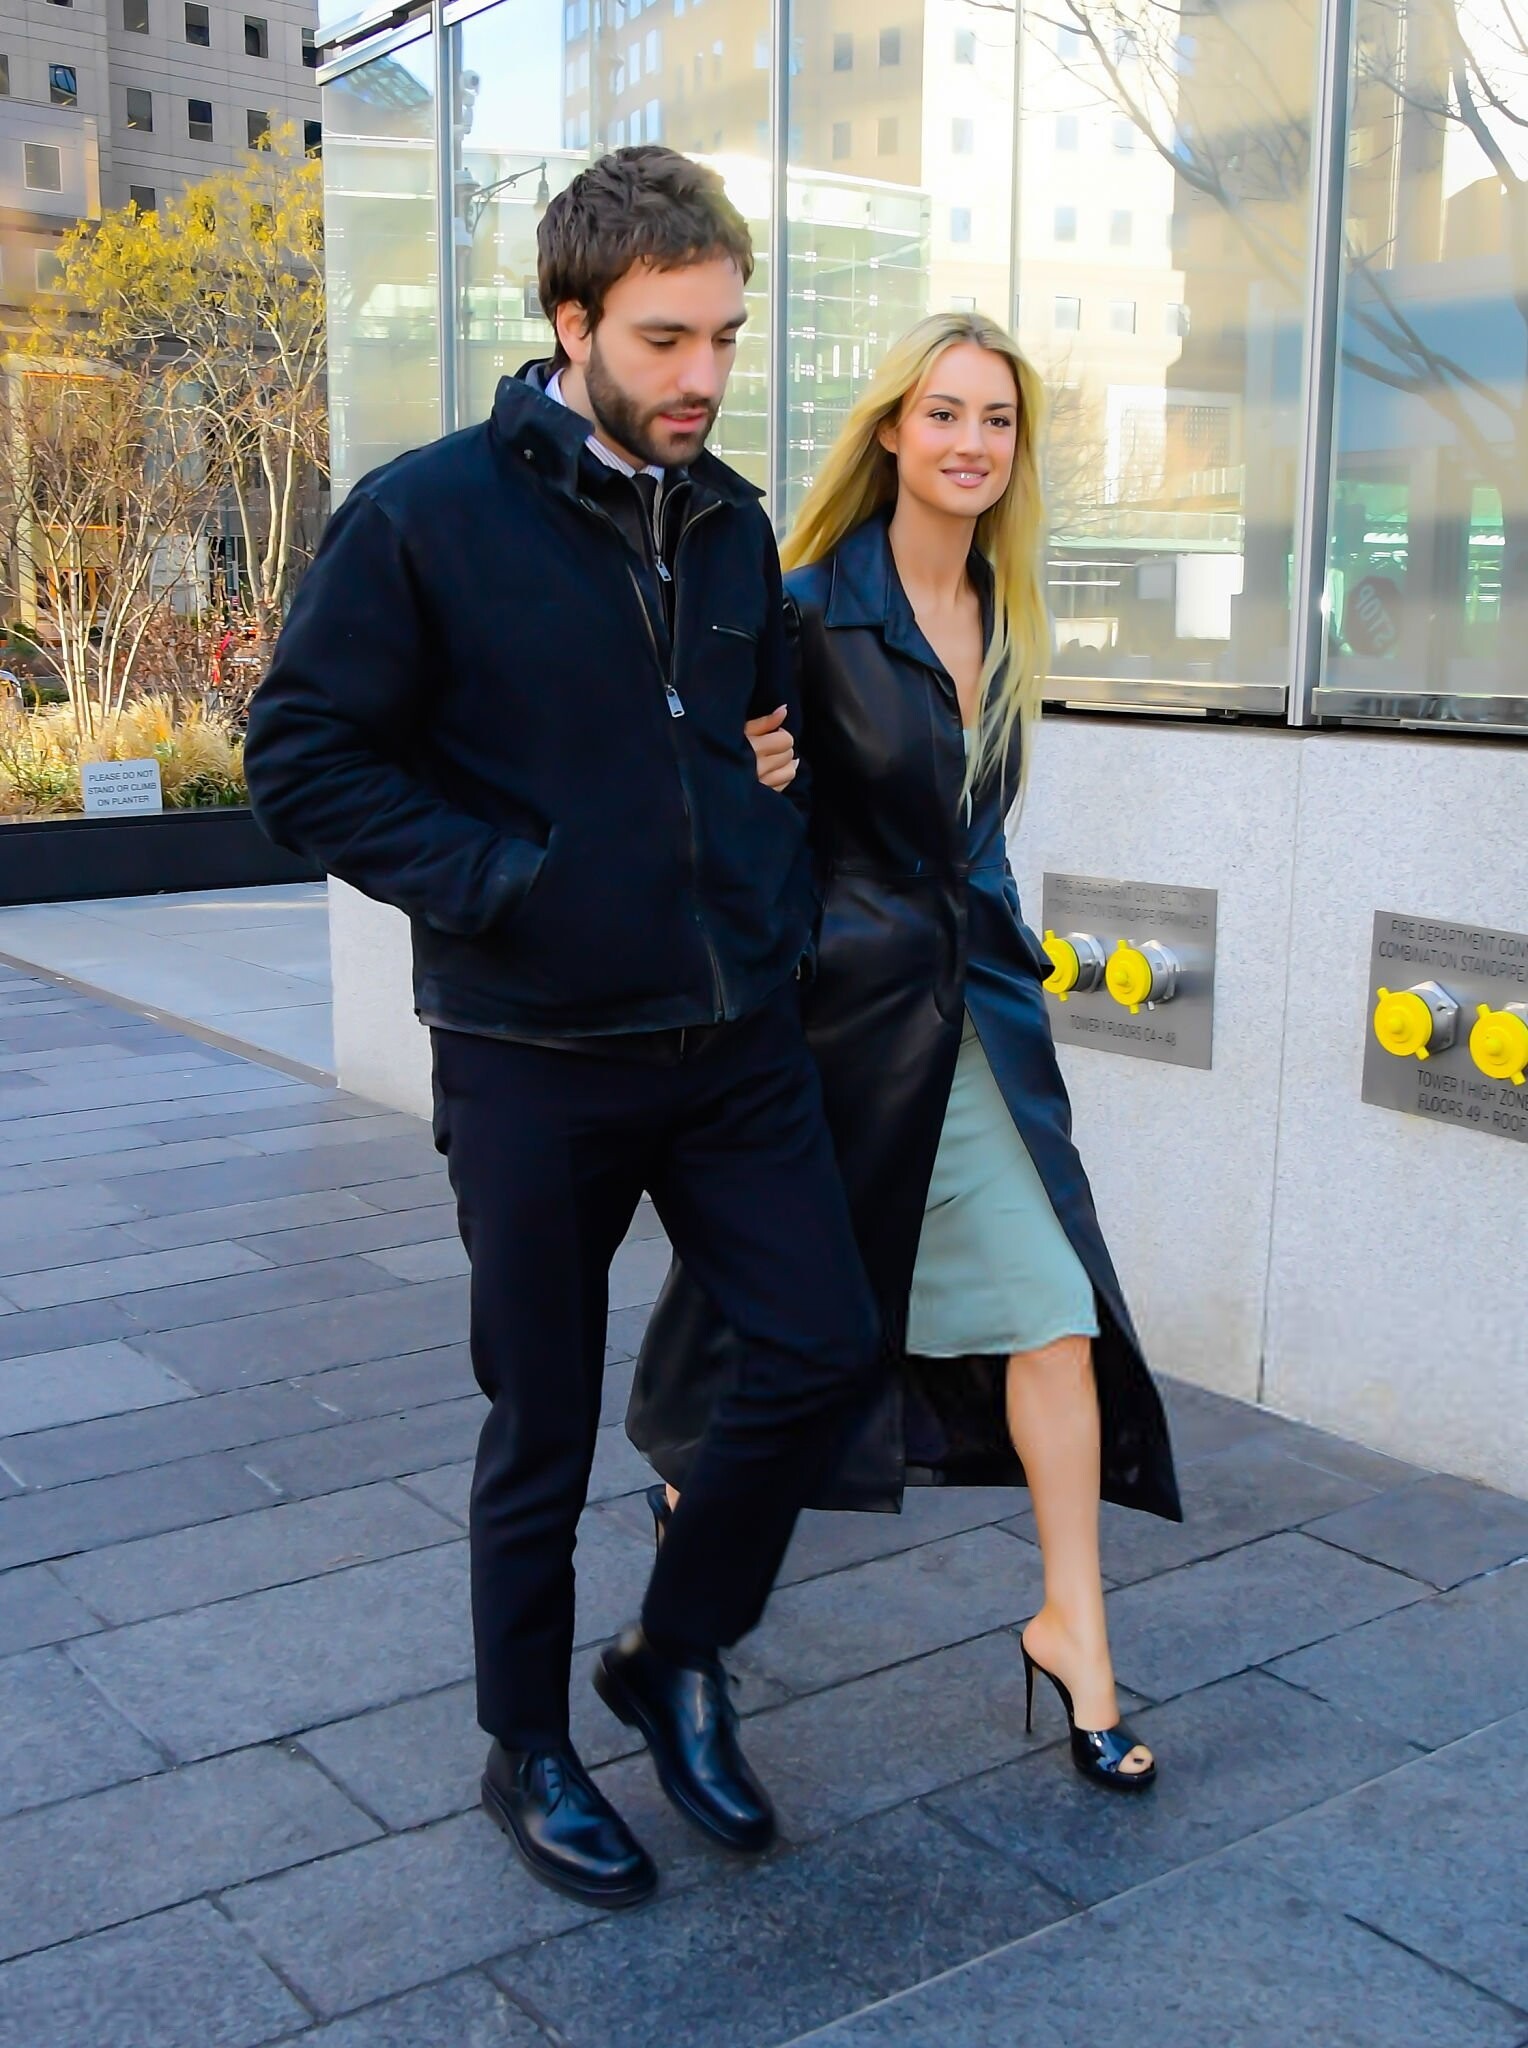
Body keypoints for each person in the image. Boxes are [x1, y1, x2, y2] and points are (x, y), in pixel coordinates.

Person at [243, 146, 880, 1907]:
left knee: (822, 1352)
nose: (703, 374)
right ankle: (525, 1742)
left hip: (731, 1040)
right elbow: (299, 759)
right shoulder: (425, 518)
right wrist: (511, 883)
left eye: (726, 336)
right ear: (571, 318)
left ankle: (672, 1652)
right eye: (668, 337)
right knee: (541, 1413)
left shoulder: (732, 519)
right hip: (533, 1056)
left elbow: (752, 741)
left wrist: (761, 852)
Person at [629, 310, 1182, 1791]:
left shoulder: (1008, 610)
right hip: (840, 1032)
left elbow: (970, 836)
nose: (970, 443)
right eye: (943, 413)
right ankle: (692, 1548)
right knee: (763, 1322)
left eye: (996, 420)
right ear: (891, 430)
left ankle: (1074, 1630)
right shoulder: (807, 609)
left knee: (1054, 1312)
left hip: (978, 1022)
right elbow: (734, 825)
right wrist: (753, 781)